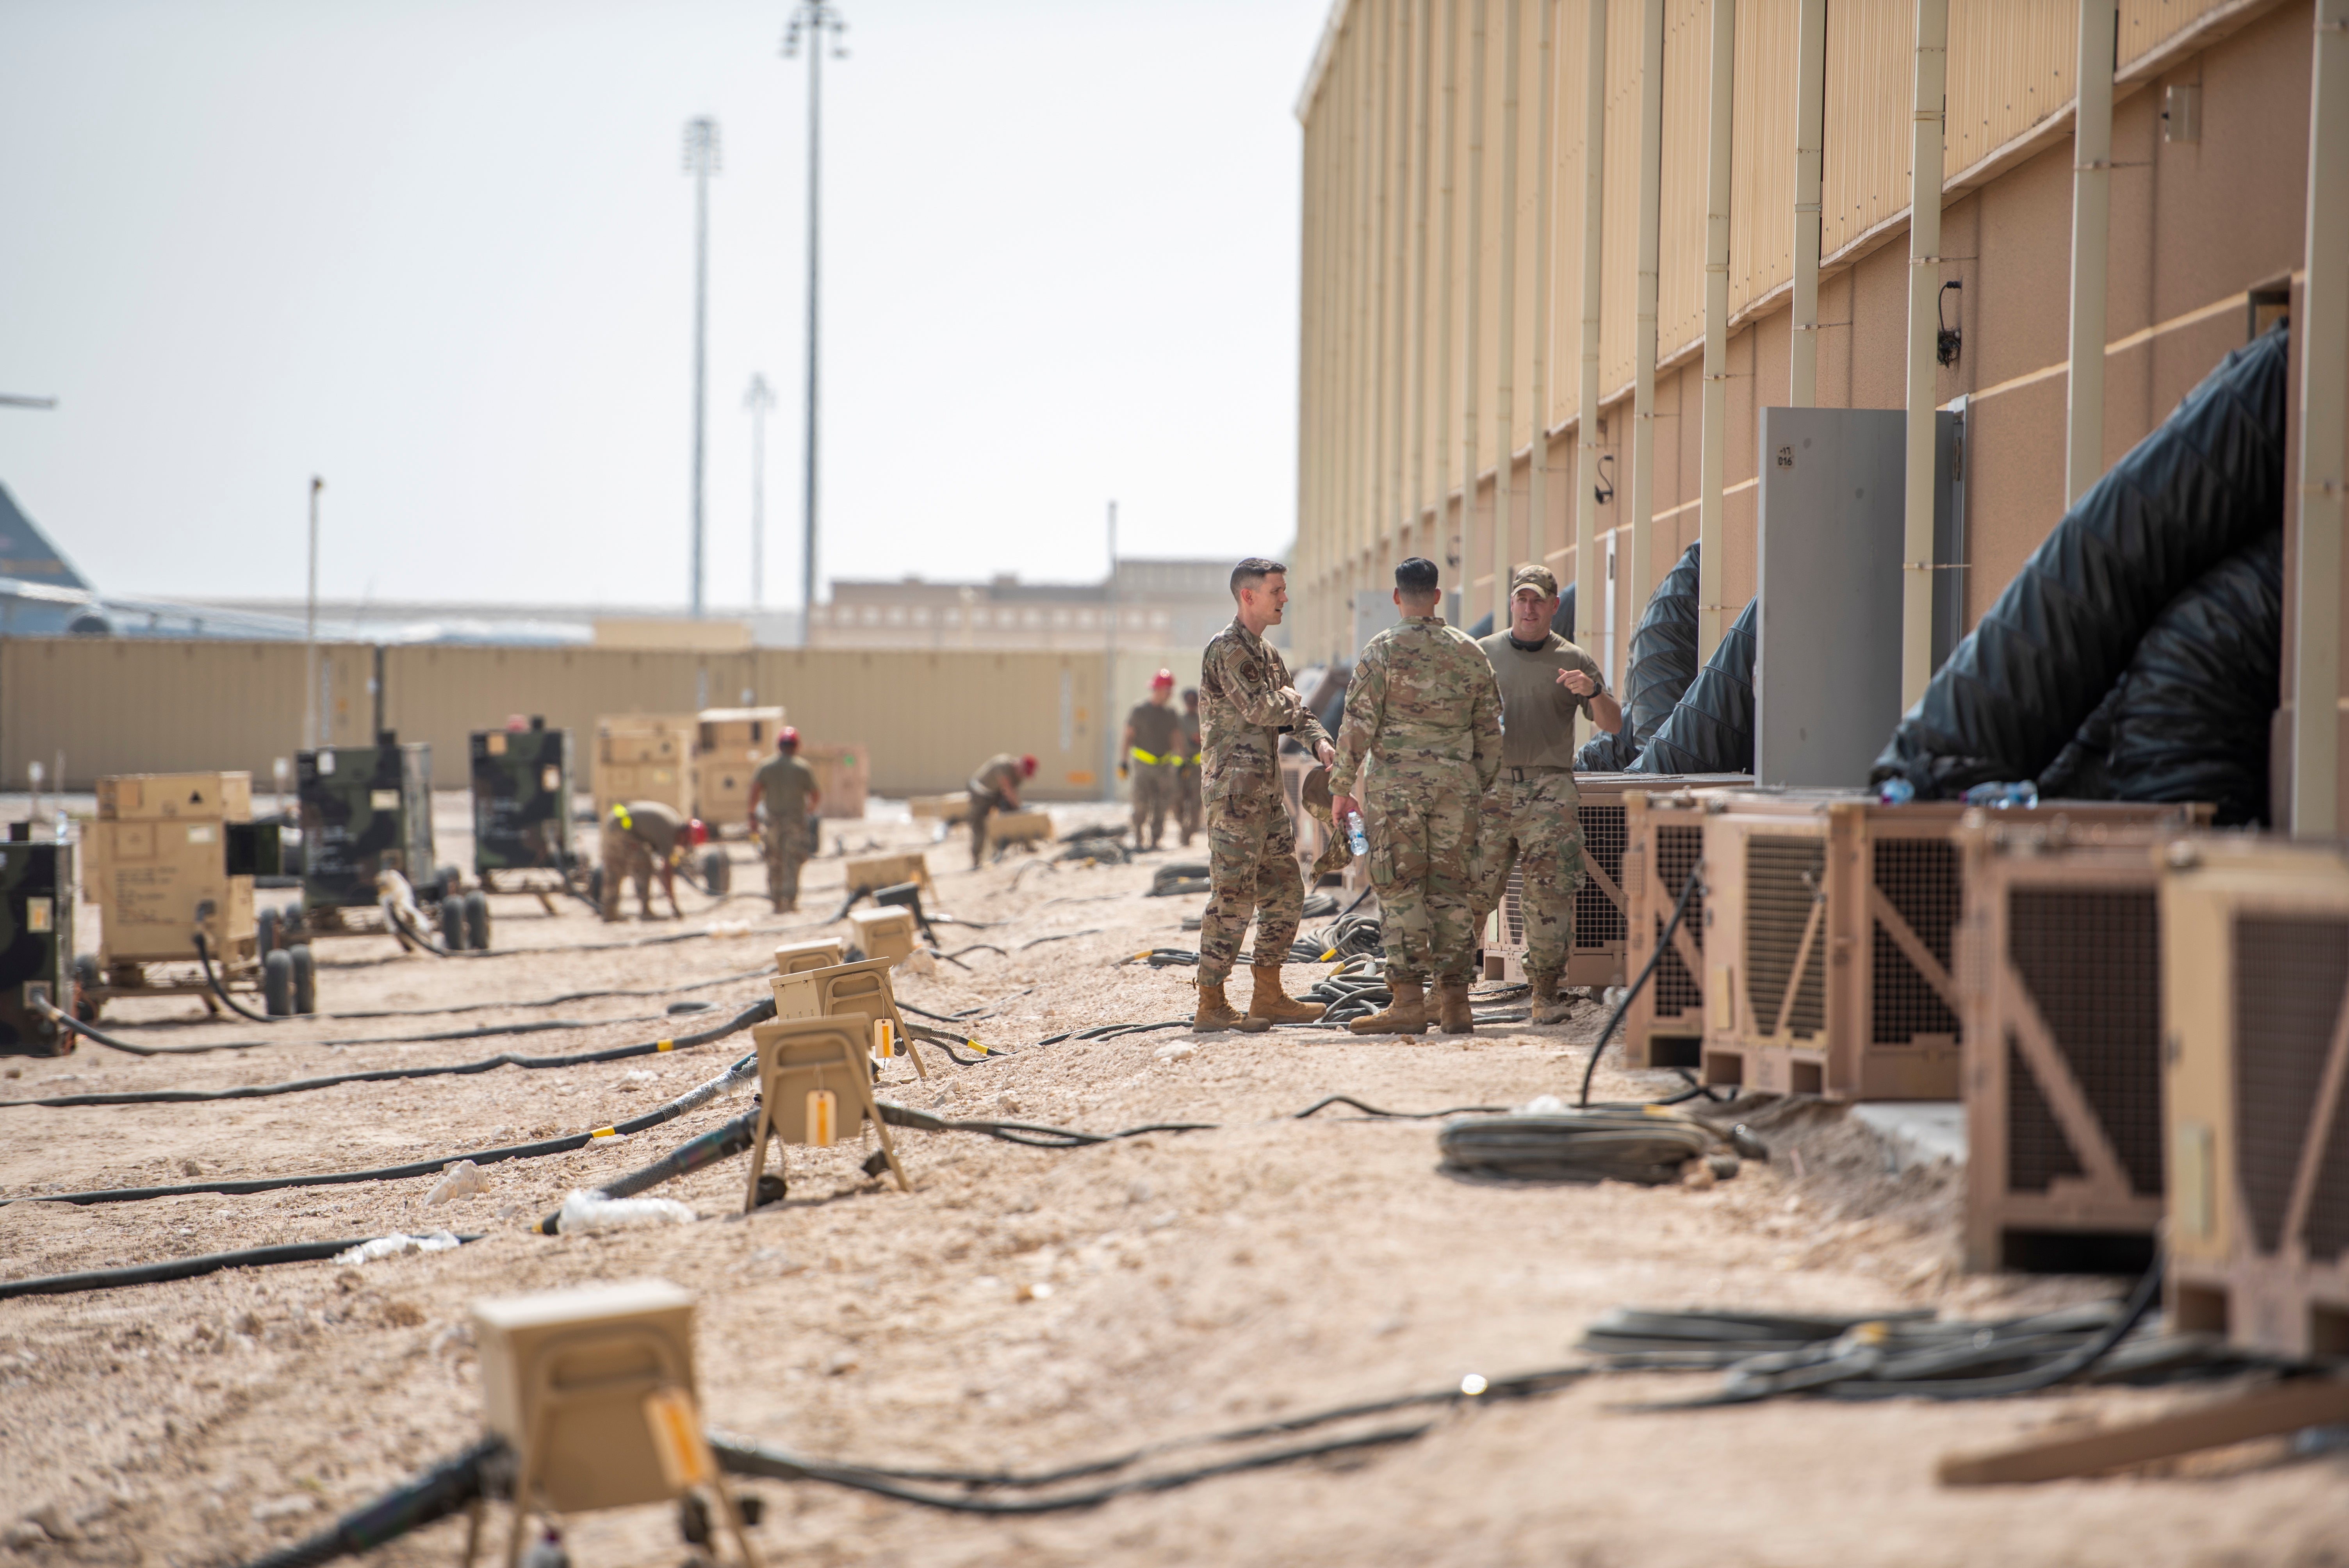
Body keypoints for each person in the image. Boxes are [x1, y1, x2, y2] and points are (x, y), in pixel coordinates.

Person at [1330, 557, 1504, 1035]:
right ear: (1437, 594)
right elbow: (1490, 731)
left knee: (1400, 888)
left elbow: (1356, 726)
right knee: (1453, 891)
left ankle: (1408, 1000)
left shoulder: (1381, 649)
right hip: (1456, 791)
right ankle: (1455, 1004)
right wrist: (1476, 784)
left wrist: (1341, 788)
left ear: (1396, 596)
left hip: (1397, 793)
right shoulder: (1470, 651)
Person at [1475, 563, 1623, 1025]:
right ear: (1511, 604)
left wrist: (1594, 691)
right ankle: (1450, 992)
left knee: (1549, 895)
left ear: (1554, 606)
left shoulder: (1574, 659)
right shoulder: (1481, 654)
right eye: (1521, 598)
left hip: (1550, 789)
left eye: (1538, 599)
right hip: (1493, 787)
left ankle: (1545, 993)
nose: (1529, 607)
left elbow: (1613, 724)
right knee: (1471, 890)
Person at [1194, 557, 1333, 1033]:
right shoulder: (1227, 649)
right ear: (1248, 595)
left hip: (1266, 796)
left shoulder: (1267, 654)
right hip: (1234, 796)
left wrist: (1319, 740)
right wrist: (1291, 701)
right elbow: (1261, 707)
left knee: (1286, 891)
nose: (1284, 598)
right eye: (1277, 590)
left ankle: (1267, 995)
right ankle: (1211, 1003)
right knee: (1232, 897)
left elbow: (1295, 709)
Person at [747, 726, 822, 914]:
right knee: (793, 859)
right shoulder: (802, 768)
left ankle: (777, 900)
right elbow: (815, 794)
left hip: (772, 821)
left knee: (774, 859)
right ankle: (791, 900)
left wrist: (752, 817)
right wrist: (810, 809)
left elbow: (754, 793)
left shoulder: (766, 766)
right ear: (797, 746)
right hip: (795, 822)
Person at [1121, 668, 1184, 851]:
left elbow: (1176, 737)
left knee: (1161, 805)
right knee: (1141, 804)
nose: (1170, 695)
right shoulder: (1140, 711)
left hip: (1164, 766)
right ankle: (1139, 836)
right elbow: (1128, 737)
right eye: (1168, 690)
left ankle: (1156, 839)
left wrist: (1181, 762)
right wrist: (1123, 762)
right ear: (1158, 690)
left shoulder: (1171, 714)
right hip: (1143, 767)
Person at [601, 798, 688, 921]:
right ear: (684, 834)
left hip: (613, 820)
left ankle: (609, 912)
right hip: (625, 826)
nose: (682, 845)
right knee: (643, 865)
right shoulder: (670, 831)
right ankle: (645, 910)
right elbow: (666, 872)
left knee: (614, 867)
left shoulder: (673, 819)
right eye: (685, 842)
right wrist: (674, 905)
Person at [966, 752, 1035, 868]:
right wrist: (1019, 808)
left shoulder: (1018, 777)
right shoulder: (1002, 764)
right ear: (1019, 764)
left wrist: (1018, 810)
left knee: (1015, 814)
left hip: (996, 794)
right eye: (1023, 772)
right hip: (980, 793)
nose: (1022, 776)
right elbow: (1008, 788)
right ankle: (976, 861)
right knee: (979, 826)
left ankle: (1026, 844)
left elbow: (1012, 795)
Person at [1176, 687, 1203, 846]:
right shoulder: (1179, 721)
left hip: (1197, 769)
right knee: (1177, 802)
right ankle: (1182, 826)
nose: (1192, 705)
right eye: (1189, 702)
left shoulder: (1203, 720)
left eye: (1194, 702)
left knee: (1195, 804)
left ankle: (1188, 832)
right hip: (1180, 769)